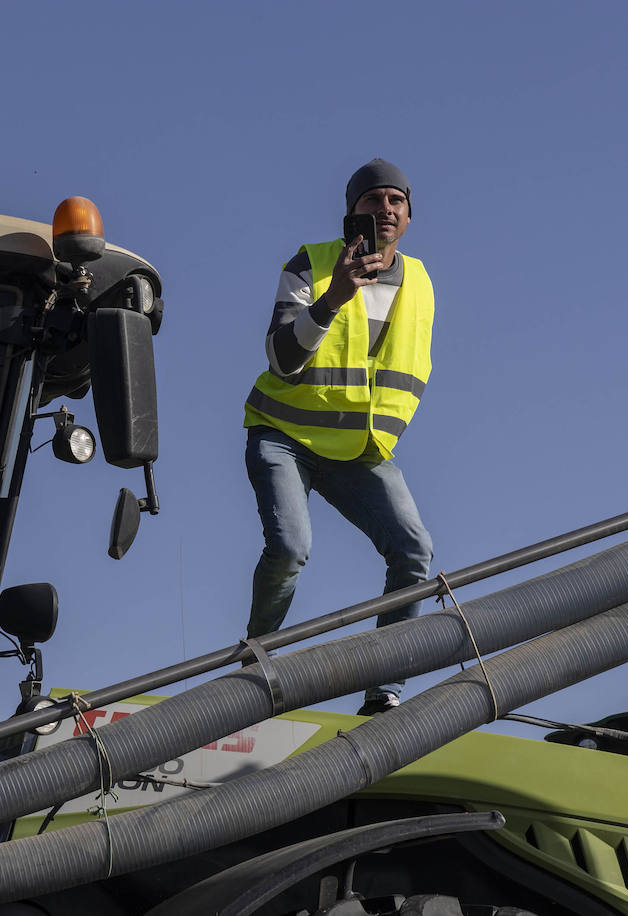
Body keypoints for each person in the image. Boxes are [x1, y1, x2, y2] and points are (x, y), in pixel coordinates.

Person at [243, 159, 435, 716]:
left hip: (355, 449)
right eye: (372, 201)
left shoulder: (420, 282)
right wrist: (333, 300)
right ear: (351, 213)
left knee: (414, 550)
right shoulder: (312, 263)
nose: (385, 210)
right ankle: (254, 667)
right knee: (289, 548)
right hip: (282, 434)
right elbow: (281, 360)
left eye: (395, 201)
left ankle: (384, 691)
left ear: (408, 214)